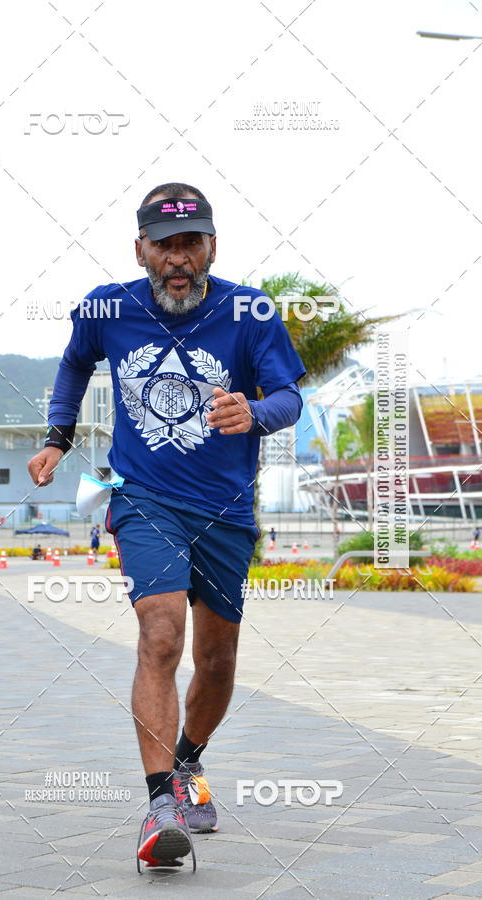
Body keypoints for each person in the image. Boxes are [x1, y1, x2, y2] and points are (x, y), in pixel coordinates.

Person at [27, 182, 306, 869]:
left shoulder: (252, 311)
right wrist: (57, 437)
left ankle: (187, 762)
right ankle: (159, 808)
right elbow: (74, 362)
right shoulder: (105, 307)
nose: (179, 258)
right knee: (160, 633)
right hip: (144, 495)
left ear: (212, 245)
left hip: (226, 508)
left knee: (216, 661)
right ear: (141, 249)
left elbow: (291, 395)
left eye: (191, 242)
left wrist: (256, 413)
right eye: (165, 244)